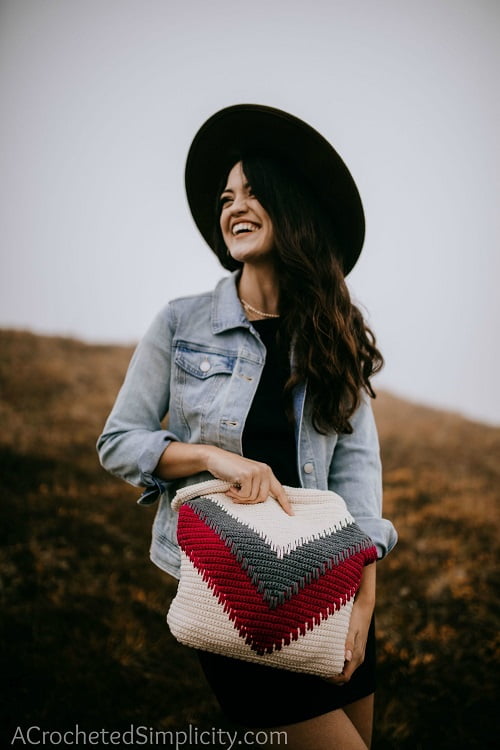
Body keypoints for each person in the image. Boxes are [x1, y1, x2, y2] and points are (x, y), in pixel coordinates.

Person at [97, 104, 397, 749]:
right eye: (227, 196)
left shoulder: (333, 335)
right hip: (233, 588)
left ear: (292, 208)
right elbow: (119, 442)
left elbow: (358, 479)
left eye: (254, 192)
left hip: (334, 585)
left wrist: (364, 600)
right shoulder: (181, 322)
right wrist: (210, 455)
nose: (234, 206)